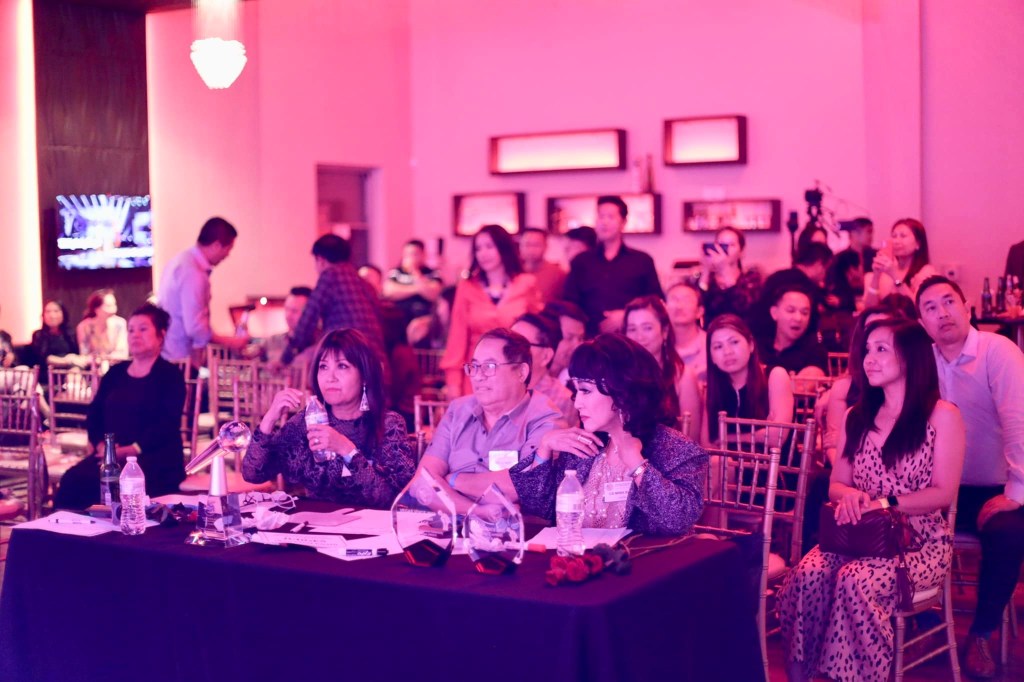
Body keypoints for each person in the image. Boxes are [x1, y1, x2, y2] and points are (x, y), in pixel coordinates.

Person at [778, 318, 964, 682]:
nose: (869, 359)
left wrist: (884, 503)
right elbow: (836, 485)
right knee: (807, 574)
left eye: (881, 349)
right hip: (857, 533)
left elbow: (943, 493)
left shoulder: (942, 416)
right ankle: (801, 676)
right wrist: (852, 496)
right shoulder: (857, 416)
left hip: (918, 542)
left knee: (855, 580)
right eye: (867, 350)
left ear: (910, 357)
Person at [916, 275, 1024, 678]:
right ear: (923, 323)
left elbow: (1019, 421)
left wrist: (1017, 490)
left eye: (949, 302)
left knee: (1009, 534)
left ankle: (981, 634)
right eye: (930, 308)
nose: (942, 313)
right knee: (889, 524)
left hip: (996, 487)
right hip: (939, 489)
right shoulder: (922, 362)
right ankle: (927, 623)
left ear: (967, 308)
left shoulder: (997, 350)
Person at [510, 334, 708, 535]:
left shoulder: (677, 450)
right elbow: (539, 507)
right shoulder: (584, 445)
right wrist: (544, 447)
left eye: (586, 391)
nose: (577, 403)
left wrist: (638, 465)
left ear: (621, 391)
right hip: (579, 553)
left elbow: (679, 521)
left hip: (642, 555)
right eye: (576, 391)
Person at [243, 329, 416, 508]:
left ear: (364, 376)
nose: (330, 378)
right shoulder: (307, 421)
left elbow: (399, 499)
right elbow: (252, 474)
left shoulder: (388, 424)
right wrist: (270, 418)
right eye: (323, 367)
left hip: (374, 524)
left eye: (342, 366)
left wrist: (347, 450)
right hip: (317, 522)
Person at [54, 304, 187, 508]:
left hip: (154, 457)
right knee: (73, 480)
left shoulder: (170, 376)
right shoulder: (115, 373)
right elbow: (95, 413)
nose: (135, 335)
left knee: (111, 484)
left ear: (161, 335)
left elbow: (166, 424)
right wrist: (101, 445)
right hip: (112, 457)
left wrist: (131, 449)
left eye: (143, 329)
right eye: (131, 330)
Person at [420, 328, 564, 513]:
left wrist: (452, 479)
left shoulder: (546, 419)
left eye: (489, 366)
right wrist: (477, 512)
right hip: (451, 525)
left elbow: (521, 487)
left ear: (521, 372)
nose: (478, 376)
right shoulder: (458, 410)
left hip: (516, 529)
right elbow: (422, 483)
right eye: (474, 367)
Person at [440, 225, 540, 397]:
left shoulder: (526, 283)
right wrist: (453, 383)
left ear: (503, 247)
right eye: (478, 248)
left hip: (514, 371)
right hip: (476, 374)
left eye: (489, 246)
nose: (483, 253)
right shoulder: (467, 287)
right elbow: (457, 336)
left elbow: (536, 335)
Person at [279, 234, 385, 369]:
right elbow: (380, 320)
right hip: (377, 363)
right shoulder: (365, 284)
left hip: (347, 359)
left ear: (321, 260)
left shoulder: (329, 277)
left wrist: (285, 359)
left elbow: (307, 322)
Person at [563, 196, 662, 336]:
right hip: (589, 338)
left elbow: (655, 301)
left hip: (631, 338)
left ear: (623, 222)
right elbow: (569, 302)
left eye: (610, 217)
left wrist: (626, 315)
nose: (604, 222)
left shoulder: (642, 260)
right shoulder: (581, 261)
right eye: (601, 216)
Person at [158, 217, 246, 366]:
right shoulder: (194, 272)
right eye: (228, 249)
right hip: (180, 358)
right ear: (216, 245)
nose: (227, 255)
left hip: (168, 353)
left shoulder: (180, 260)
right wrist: (230, 342)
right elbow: (195, 328)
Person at [702, 314, 793, 446]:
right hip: (724, 460)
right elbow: (706, 443)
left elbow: (777, 437)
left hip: (773, 459)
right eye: (718, 347)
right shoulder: (712, 388)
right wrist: (761, 434)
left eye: (734, 342)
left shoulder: (775, 375)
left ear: (751, 344)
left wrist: (727, 438)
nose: (727, 352)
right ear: (712, 357)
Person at [622, 295, 703, 435]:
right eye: (632, 329)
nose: (639, 337)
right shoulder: (620, 375)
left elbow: (691, 437)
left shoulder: (682, 376)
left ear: (664, 331)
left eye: (647, 328)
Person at [510, 313, 577, 425]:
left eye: (520, 345)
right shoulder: (497, 385)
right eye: (508, 343)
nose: (509, 351)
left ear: (546, 356)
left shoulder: (561, 400)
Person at [757, 284, 828, 376]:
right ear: (774, 313)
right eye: (791, 310)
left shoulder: (815, 351)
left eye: (804, 313)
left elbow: (812, 379)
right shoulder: (759, 347)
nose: (798, 318)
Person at [863, 218, 937, 307]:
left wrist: (895, 276)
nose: (896, 241)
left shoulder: (926, 272)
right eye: (894, 236)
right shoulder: (886, 272)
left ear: (918, 244)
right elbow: (869, 308)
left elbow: (919, 308)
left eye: (903, 236)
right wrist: (876, 276)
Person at [699, 226, 762, 324]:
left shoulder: (751, 279)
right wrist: (706, 271)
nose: (726, 249)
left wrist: (725, 268)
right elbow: (697, 305)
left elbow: (747, 309)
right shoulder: (709, 280)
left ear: (741, 252)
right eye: (721, 244)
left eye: (731, 245)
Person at [384, 239, 443, 326]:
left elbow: (433, 294)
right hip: (399, 315)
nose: (410, 257)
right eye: (407, 254)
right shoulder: (396, 272)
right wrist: (420, 289)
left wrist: (415, 273)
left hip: (423, 314)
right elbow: (389, 292)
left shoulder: (432, 273)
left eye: (414, 254)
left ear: (423, 254)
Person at [665, 281, 707, 383]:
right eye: (674, 299)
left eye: (687, 300)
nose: (679, 306)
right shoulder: (657, 345)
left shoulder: (710, 345)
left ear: (699, 311)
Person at [262, 286, 316, 366]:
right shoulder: (272, 341)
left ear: (310, 313)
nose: (288, 315)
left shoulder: (321, 345)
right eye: (287, 309)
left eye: (294, 311)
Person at [30, 300, 80, 384]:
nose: (52, 315)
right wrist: (67, 361)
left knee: (75, 374)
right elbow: (43, 359)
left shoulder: (70, 334)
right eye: (48, 312)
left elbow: (77, 354)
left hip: (70, 371)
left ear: (63, 314)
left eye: (56, 311)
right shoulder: (38, 335)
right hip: (48, 373)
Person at [542, 300, 588, 385]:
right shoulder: (526, 379)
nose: (577, 346)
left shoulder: (581, 381)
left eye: (581, 338)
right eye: (569, 338)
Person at [76, 289, 128, 361]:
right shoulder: (84, 326)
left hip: (116, 363)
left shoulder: (120, 323)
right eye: (108, 306)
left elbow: (122, 352)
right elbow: (84, 354)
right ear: (96, 309)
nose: (113, 309)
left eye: (114, 304)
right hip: (93, 364)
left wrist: (107, 359)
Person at [518, 227, 566, 303]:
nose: (531, 249)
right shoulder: (513, 271)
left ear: (546, 246)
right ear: (520, 246)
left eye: (536, 245)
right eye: (527, 244)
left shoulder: (557, 273)